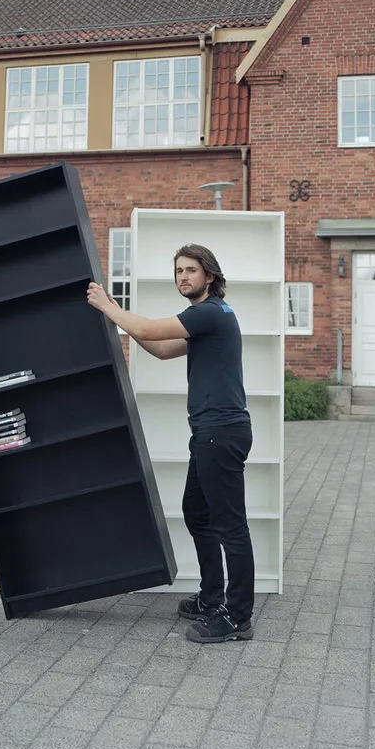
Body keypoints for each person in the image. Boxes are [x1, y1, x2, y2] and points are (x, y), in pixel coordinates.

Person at [87, 243, 253, 643]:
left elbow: (148, 329)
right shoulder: (208, 320)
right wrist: (120, 317)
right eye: (178, 270)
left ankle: (237, 617)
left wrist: (107, 306)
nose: (183, 276)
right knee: (197, 513)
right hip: (210, 433)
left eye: (191, 270)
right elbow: (161, 348)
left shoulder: (209, 312)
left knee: (230, 525)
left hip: (221, 433)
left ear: (210, 276)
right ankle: (212, 598)